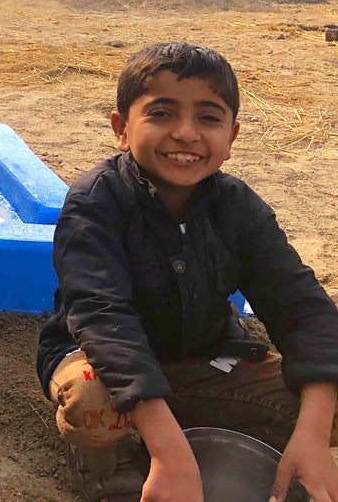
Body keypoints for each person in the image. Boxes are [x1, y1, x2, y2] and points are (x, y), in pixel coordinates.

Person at [36, 42, 338, 502]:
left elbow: (304, 310)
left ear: (231, 138)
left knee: (327, 396)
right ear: (121, 129)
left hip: (203, 362)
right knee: (90, 400)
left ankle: (199, 430)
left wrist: (313, 437)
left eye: (208, 118)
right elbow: (101, 318)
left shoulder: (239, 208)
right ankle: (109, 462)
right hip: (102, 363)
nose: (186, 133)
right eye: (161, 114)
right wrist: (173, 456)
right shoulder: (95, 203)